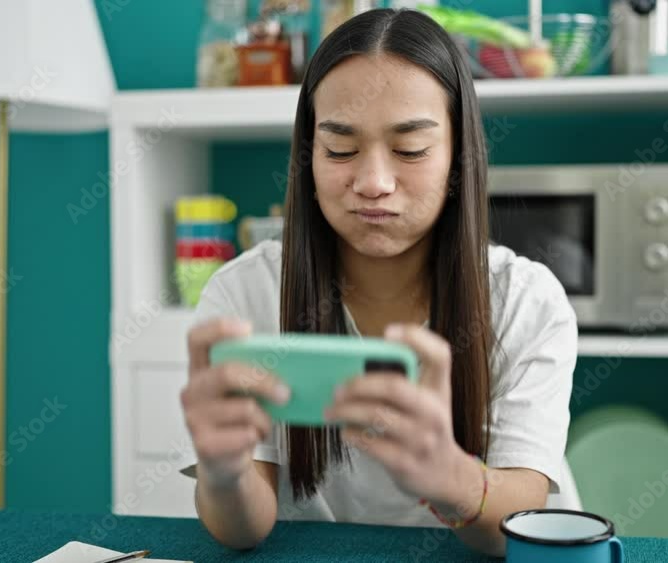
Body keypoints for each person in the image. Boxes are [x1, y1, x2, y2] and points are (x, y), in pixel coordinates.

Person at [178, 8, 577, 557]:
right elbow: (244, 530)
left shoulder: (526, 301)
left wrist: (449, 477)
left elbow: (515, 529)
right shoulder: (245, 292)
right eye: (339, 149)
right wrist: (222, 474)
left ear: (459, 153)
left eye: (411, 149)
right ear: (308, 154)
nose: (373, 183)